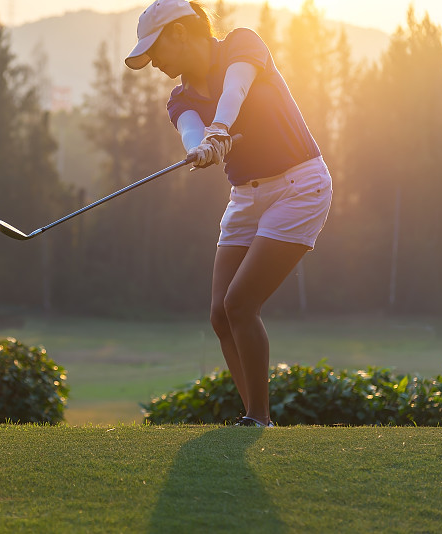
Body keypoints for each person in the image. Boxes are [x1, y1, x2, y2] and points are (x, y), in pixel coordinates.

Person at [126, 0, 332, 427]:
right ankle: (253, 415)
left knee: (240, 303)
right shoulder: (179, 97)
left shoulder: (243, 44)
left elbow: (235, 90)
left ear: (180, 34)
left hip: (299, 185)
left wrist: (218, 129)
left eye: (156, 50)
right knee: (221, 313)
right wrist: (198, 148)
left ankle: (259, 418)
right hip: (246, 196)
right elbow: (189, 129)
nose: (155, 63)